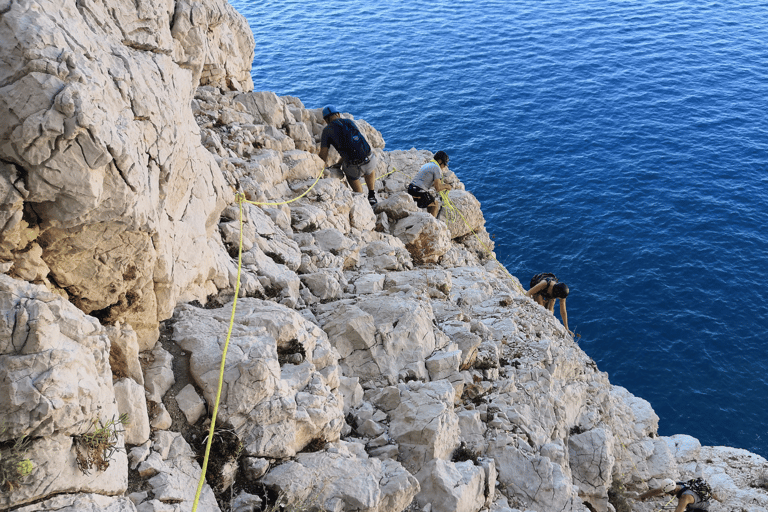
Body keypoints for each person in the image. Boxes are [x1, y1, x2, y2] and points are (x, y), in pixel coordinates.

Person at [318, 105, 378, 207]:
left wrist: (319, 167)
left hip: (353, 167)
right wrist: (339, 163)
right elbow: (354, 144)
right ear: (338, 114)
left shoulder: (327, 131)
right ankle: (372, 195)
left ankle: (362, 199)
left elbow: (324, 153)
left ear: (325, 120)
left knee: (351, 176)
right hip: (370, 159)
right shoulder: (349, 122)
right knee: (369, 170)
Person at [407, 151, 451, 217]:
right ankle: (431, 222)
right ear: (439, 161)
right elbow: (438, 188)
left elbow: (427, 181)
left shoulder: (427, 165)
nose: (444, 166)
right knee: (435, 204)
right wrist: (447, 186)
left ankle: (427, 217)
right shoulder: (436, 168)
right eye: (444, 164)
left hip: (411, 189)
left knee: (429, 199)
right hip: (418, 191)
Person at [636, 477, 720, 512]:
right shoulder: (677, 484)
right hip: (699, 498)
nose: (666, 494)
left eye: (667, 493)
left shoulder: (684, 498)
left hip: (701, 509)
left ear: (672, 491)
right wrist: (641, 496)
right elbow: (657, 491)